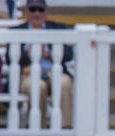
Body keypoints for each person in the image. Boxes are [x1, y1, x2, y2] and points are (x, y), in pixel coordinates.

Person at [10, 0, 75, 128]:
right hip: (27, 74)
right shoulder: (16, 30)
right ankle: (37, 130)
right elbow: (9, 59)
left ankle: (64, 129)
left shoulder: (58, 28)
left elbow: (69, 54)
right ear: (26, 11)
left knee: (64, 82)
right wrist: (27, 55)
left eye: (40, 10)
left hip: (53, 72)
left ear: (46, 11)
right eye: (33, 9)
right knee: (37, 85)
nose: (37, 13)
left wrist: (49, 53)